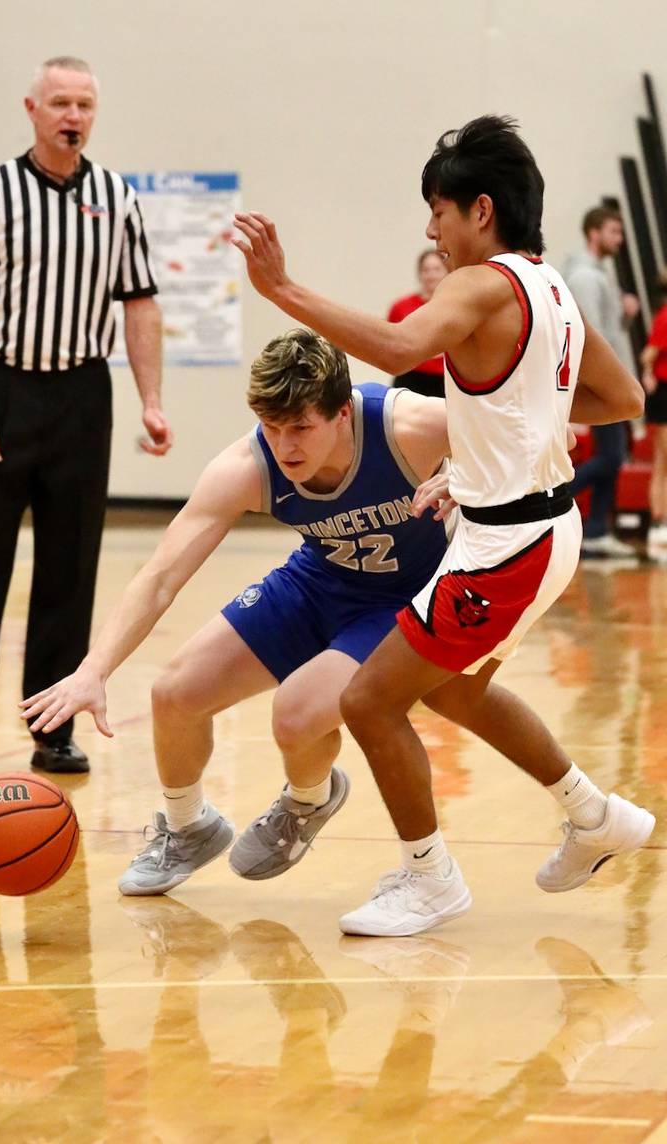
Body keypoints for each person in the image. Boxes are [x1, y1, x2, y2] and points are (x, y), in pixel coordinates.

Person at [232, 114, 653, 937]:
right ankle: (592, 814)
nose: (432, 229)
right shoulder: (551, 286)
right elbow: (625, 398)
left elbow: (395, 349)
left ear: (481, 209)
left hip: (510, 547)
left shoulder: (480, 283)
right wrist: (514, 440)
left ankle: (429, 878)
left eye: (439, 210)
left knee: (369, 702)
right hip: (534, 528)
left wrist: (283, 292)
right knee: (455, 689)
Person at [21, 328, 452, 893]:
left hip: (405, 598)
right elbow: (158, 578)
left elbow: (543, 427)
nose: (286, 446)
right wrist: (94, 670)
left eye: (301, 427)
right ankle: (188, 827)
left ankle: (307, 801)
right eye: (272, 428)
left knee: (295, 714)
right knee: (174, 693)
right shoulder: (248, 466)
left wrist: (469, 473)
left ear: (343, 413)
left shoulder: (409, 427)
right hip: (319, 580)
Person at [0, 56, 173, 778]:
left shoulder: (118, 198)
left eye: (85, 104)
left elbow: (141, 302)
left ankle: (53, 729)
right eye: (60, 102)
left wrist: (152, 401)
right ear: (31, 108)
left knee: (70, 570)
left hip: (82, 398)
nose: (74, 116)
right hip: (0, 396)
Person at [563, 207, 640, 557]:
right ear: (593, 233)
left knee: (615, 456)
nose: (619, 240)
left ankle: (595, 530)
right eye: (614, 231)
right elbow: (589, 338)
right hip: (604, 385)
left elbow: (605, 331)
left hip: (613, 383)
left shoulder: (600, 275)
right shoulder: (586, 277)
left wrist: (624, 316)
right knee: (610, 457)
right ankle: (551, 498)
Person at [387, 248, 447, 395]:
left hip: (444, 379)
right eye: (426, 270)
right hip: (410, 378)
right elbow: (392, 342)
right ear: (419, 274)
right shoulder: (401, 307)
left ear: (446, 271)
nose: (431, 275)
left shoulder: (454, 308)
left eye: (436, 269)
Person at [641, 273, 667, 555]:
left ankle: (659, 523)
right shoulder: (665, 316)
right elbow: (648, 354)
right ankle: (660, 523)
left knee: (662, 462)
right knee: (664, 461)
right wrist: (648, 375)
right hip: (664, 394)